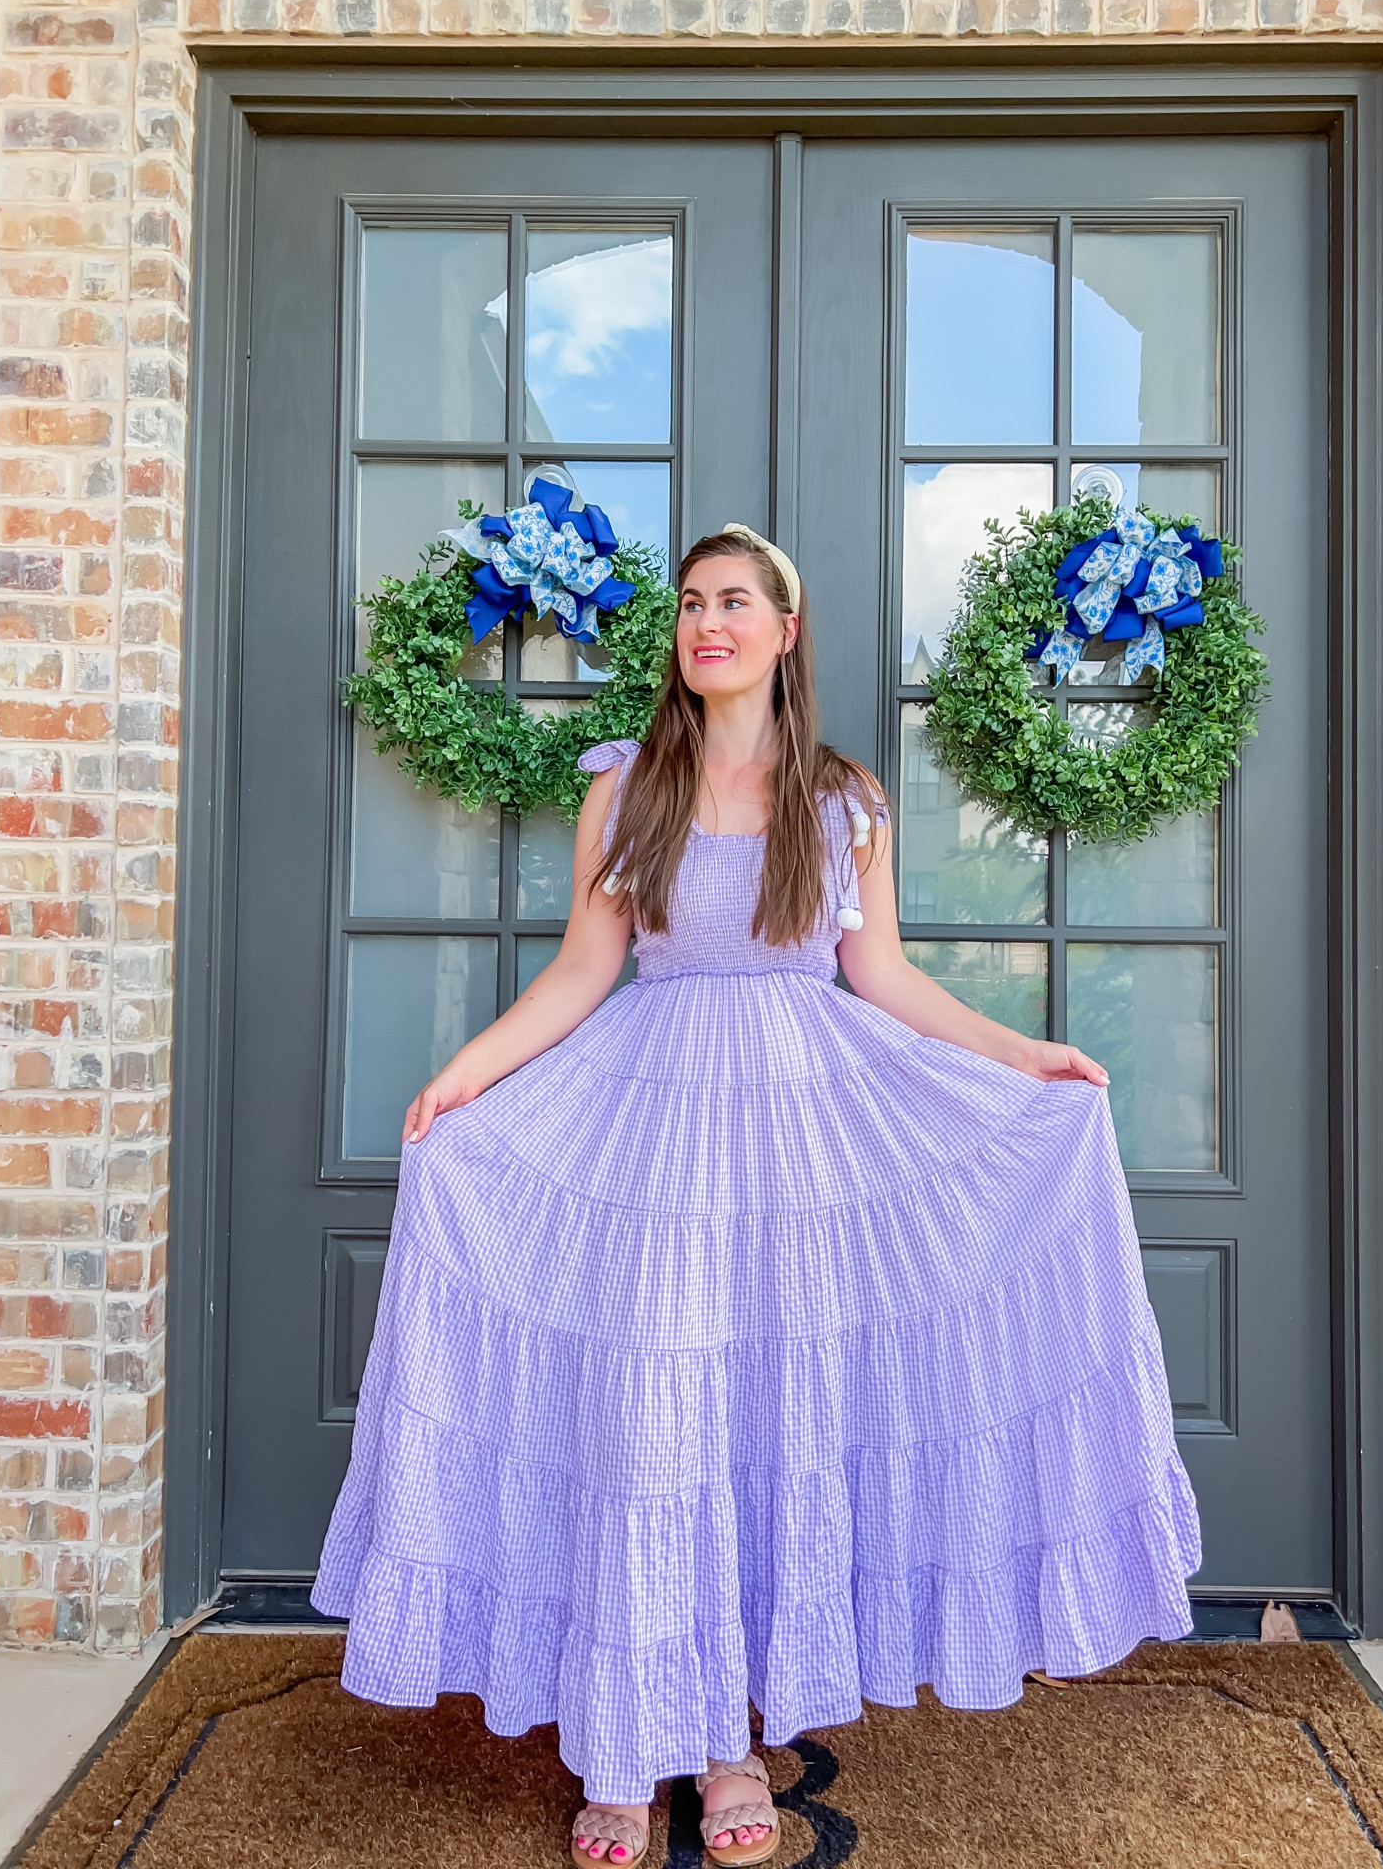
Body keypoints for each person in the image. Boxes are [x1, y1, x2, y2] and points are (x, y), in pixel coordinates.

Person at [311, 522, 1202, 1868]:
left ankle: (729, 1741)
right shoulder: (625, 787)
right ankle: (621, 1753)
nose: (706, 621)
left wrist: (1027, 1057)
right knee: (650, 1428)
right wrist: (463, 1078)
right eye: (688, 603)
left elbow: (885, 979)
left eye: (734, 602)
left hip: (799, 1148)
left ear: (786, 633)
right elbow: (578, 973)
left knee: (756, 1434)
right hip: (649, 1138)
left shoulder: (843, 799)